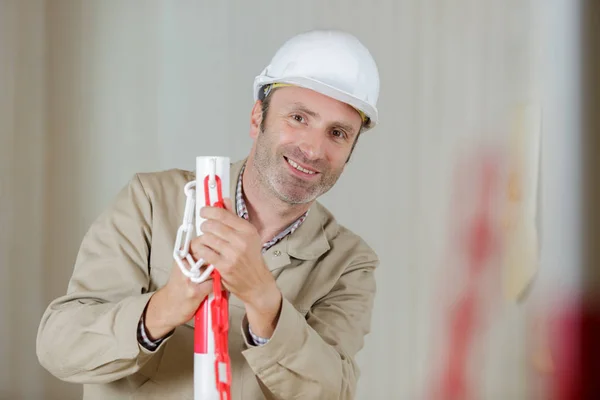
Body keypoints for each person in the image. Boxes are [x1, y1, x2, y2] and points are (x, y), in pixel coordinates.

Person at [37, 29, 381, 400]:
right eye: (298, 117)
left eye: (338, 133)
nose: (313, 149)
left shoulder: (348, 263)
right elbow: (60, 347)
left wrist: (265, 301)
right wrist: (169, 305)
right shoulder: (152, 202)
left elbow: (332, 392)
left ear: (350, 152)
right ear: (257, 117)